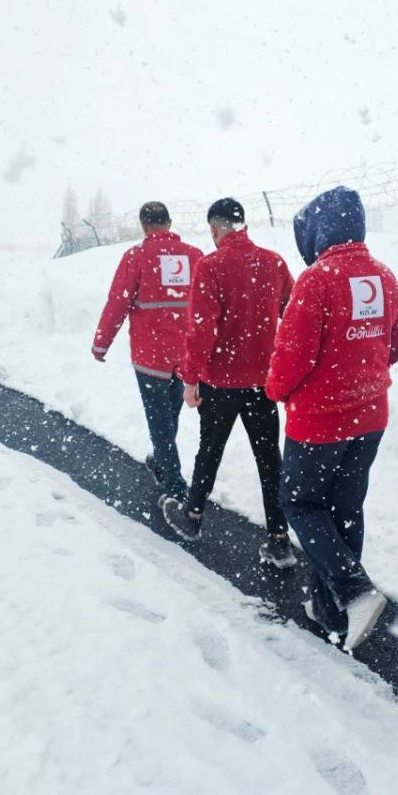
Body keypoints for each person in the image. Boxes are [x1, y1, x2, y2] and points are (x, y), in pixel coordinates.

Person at [266, 186, 398, 652]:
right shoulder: (385, 277)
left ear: (320, 228)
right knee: (346, 509)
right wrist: (361, 365)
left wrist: (275, 389)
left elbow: (293, 356)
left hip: (319, 420)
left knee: (301, 504)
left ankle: (354, 591)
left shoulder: (317, 279)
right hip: (370, 417)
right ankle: (331, 610)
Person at [162, 198, 298, 568]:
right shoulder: (273, 263)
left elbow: (200, 331)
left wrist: (190, 380)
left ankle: (191, 518)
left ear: (216, 227)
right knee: (270, 460)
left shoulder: (211, 266)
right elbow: (295, 312)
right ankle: (279, 538)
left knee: (210, 450)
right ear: (243, 224)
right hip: (262, 383)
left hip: (221, 383)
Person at [92, 202, 205, 503]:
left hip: (150, 356)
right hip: (185, 356)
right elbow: (209, 305)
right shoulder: (195, 257)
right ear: (169, 223)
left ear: (144, 226)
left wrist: (101, 343)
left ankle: (174, 483)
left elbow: (118, 302)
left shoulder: (136, 257)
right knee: (169, 413)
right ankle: (163, 458)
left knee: (159, 418)